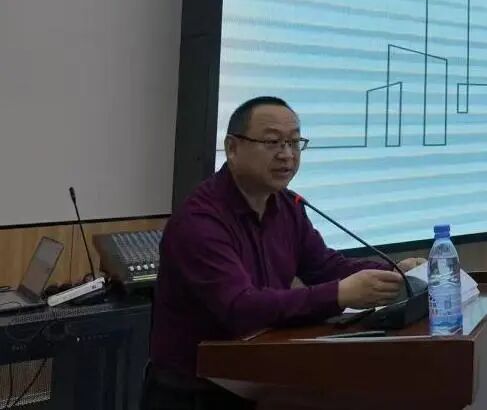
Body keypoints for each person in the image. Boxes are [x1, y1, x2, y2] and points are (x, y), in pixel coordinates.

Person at [141, 96, 426, 410]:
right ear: (232, 148)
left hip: (258, 378)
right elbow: (240, 307)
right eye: (272, 142)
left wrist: (393, 271)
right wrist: (339, 294)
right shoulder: (200, 221)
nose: (287, 155)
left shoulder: (288, 206)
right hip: (194, 391)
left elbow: (323, 266)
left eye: (294, 142)